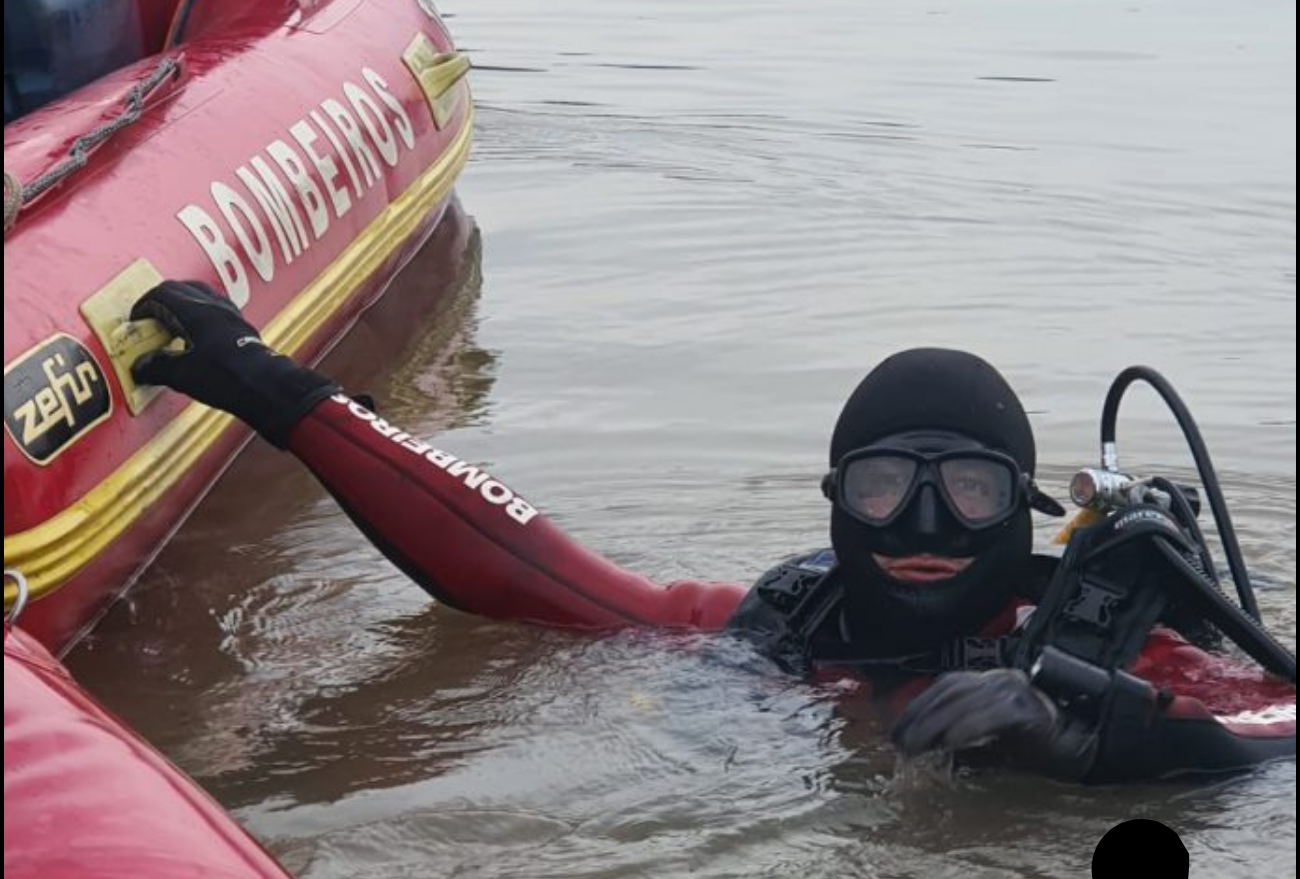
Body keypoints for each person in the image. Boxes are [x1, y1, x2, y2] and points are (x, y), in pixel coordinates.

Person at [127, 280, 1297, 784]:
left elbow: (1282, 730)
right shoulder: (786, 627)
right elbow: (530, 571)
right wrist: (282, 396)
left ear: (1030, 511)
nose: (928, 526)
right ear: (835, 500)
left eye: (976, 493)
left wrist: (1097, 739)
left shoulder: (1105, 646)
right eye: (887, 487)